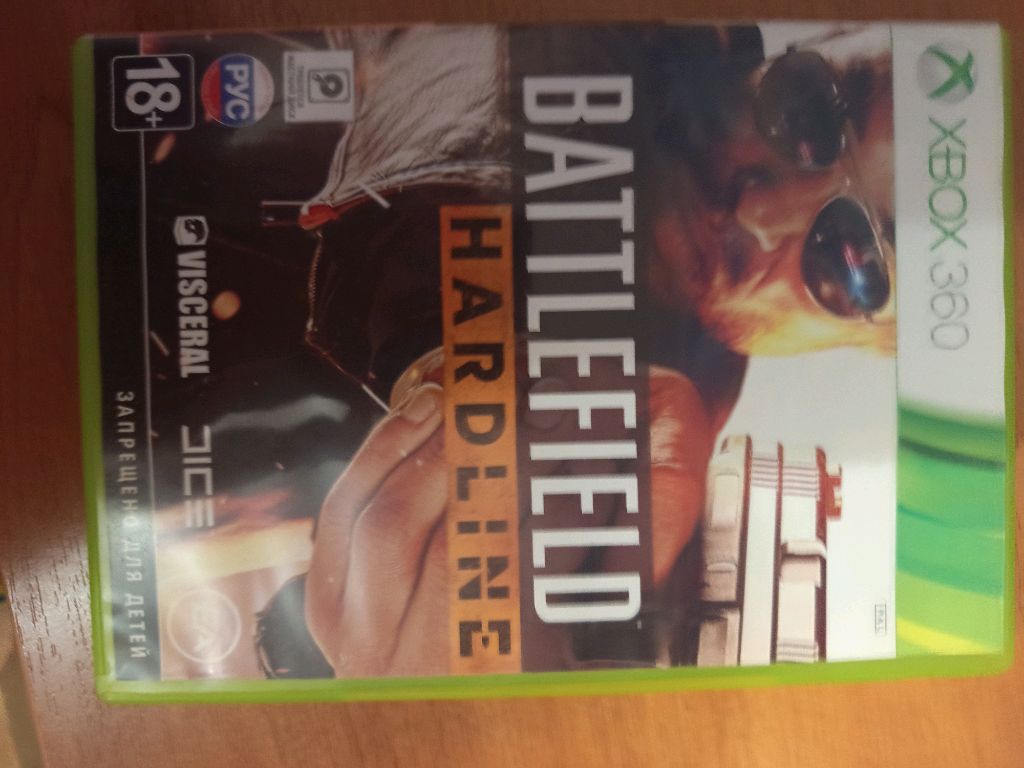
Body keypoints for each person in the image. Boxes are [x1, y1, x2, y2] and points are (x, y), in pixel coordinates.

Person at [254, 23, 896, 678]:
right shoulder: (620, 37)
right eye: (813, 113)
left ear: (864, 343)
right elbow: (471, 61)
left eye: (853, 261)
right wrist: (465, 365)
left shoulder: (661, 500)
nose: (761, 210)